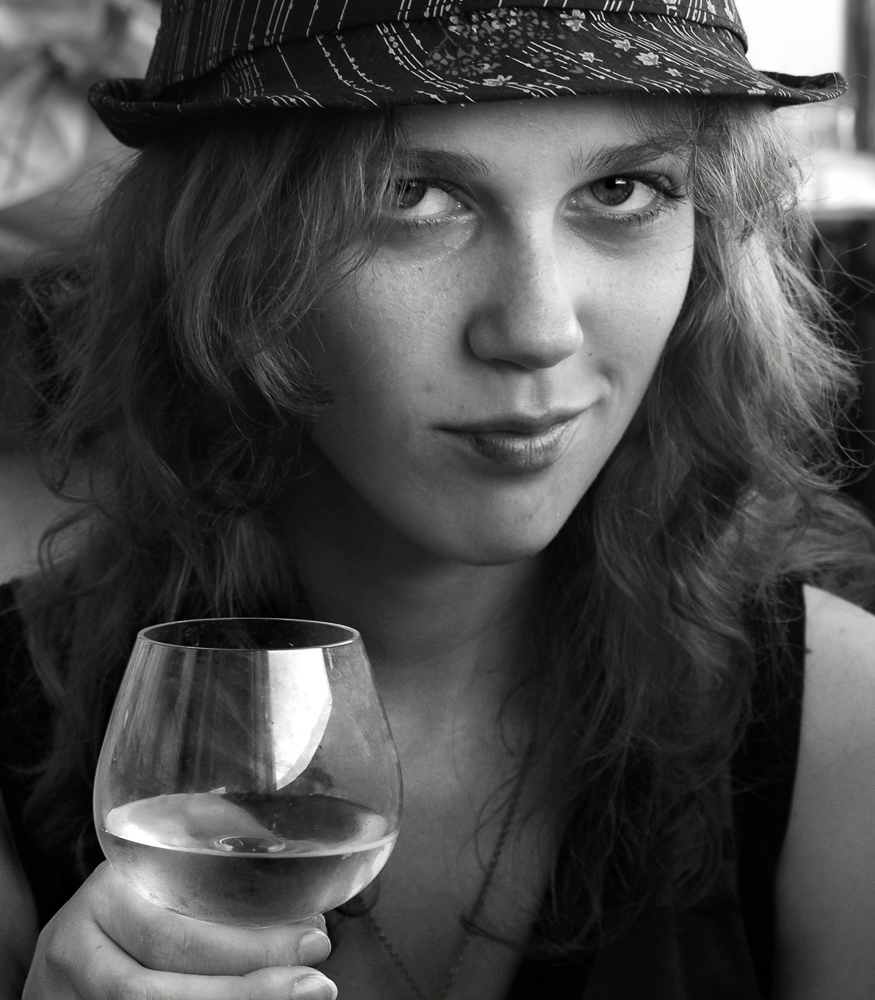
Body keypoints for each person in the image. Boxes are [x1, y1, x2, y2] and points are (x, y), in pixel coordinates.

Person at [4, 0, 875, 997]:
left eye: (621, 188)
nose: (537, 330)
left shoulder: (839, 727)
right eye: (410, 193)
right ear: (221, 247)